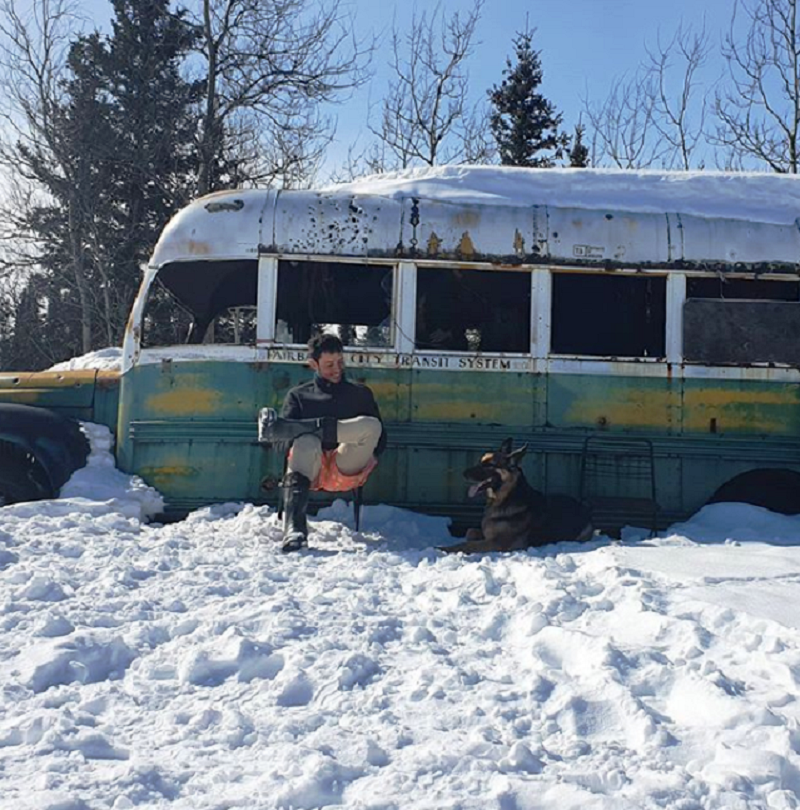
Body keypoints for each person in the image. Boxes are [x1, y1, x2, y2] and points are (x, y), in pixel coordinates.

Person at [258, 333, 386, 552]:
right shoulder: (298, 396)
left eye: (340, 362)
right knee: (305, 442)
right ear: (313, 364)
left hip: (345, 467)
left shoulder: (360, 394)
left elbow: (380, 439)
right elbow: (280, 446)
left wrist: (367, 452)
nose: (336, 369)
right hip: (309, 469)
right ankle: (295, 530)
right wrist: (309, 436)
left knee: (371, 425)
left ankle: (313, 428)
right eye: (329, 365)